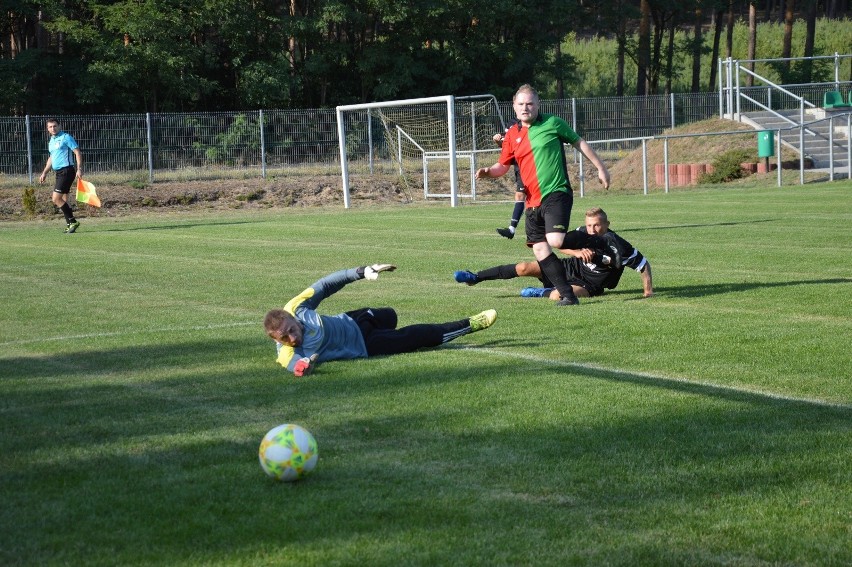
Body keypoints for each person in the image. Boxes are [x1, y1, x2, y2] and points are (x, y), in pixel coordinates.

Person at [475, 84, 611, 306]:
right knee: (540, 249)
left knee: (556, 240)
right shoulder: (511, 136)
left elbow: (579, 142)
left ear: (538, 105)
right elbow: (502, 166)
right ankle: (568, 295)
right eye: (521, 104)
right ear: (514, 107)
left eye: (530, 103)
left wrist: (601, 167)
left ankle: (591, 238)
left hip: (556, 193)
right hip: (531, 202)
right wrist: (488, 172)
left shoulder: (553, 123)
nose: (525, 107)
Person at [264, 264, 497, 377]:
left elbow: (325, 285)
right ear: (277, 339)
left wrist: (362, 271)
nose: (292, 338)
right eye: (285, 338)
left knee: (391, 315)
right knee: (412, 337)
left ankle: (384, 324)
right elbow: (295, 367)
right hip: (365, 345)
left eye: (291, 330)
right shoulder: (286, 353)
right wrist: (303, 367)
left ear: (291, 318)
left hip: (354, 319)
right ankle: (470, 324)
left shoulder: (295, 307)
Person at [455, 207, 653, 300]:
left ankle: (540, 292)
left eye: (597, 225)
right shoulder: (582, 233)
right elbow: (558, 244)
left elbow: (643, 265)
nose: (592, 229)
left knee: (557, 296)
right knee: (524, 267)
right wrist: (576, 252)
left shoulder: (618, 245)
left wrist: (647, 292)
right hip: (569, 267)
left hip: (589, 285)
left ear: (607, 224)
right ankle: (476, 277)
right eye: (589, 225)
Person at [39, 118, 83, 233]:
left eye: (54, 126)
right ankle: (70, 225)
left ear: (59, 126)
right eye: (50, 127)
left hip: (67, 171)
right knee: (63, 199)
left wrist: (79, 169)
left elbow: (77, 152)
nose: (53, 128)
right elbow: (51, 158)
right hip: (59, 172)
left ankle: (73, 221)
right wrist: (44, 172)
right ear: (47, 129)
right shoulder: (52, 141)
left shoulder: (66, 137)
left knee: (56, 198)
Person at [492, 123, 526, 240]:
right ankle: (512, 229)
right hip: (519, 167)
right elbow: (507, 146)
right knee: (520, 195)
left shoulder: (533, 121)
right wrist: (498, 141)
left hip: (532, 165)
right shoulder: (512, 124)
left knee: (528, 197)